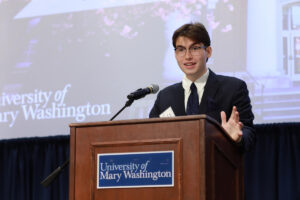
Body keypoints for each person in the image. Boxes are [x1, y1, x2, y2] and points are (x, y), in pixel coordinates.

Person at [149, 22, 255, 151]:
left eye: (195, 48)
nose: (188, 56)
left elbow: (249, 134)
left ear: (208, 51)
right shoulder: (165, 97)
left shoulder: (233, 88)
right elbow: (152, 136)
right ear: (176, 54)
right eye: (181, 49)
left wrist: (238, 138)